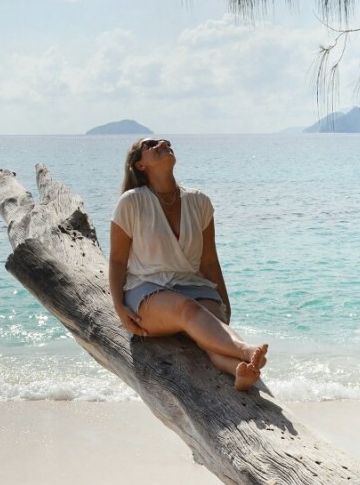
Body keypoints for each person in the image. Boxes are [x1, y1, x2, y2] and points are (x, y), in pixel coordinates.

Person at [108, 137, 268, 391]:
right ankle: (247, 351)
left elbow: (209, 260)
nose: (162, 143)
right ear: (140, 165)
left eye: (165, 141)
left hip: (195, 285)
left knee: (212, 335)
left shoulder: (199, 202)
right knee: (188, 309)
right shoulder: (131, 202)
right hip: (147, 290)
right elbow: (117, 260)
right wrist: (118, 306)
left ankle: (240, 372)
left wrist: (224, 302)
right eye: (151, 145)